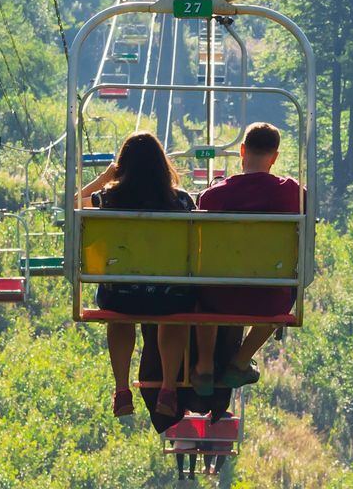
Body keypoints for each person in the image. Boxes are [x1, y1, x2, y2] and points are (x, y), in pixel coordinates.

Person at [79, 131, 196, 419]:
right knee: (176, 310)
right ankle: (168, 386)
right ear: (162, 165)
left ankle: (121, 389)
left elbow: (73, 203)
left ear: (123, 166)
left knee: (119, 316)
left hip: (120, 295)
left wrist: (104, 179)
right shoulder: (180, 201)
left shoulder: (107, 199)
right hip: (168, 296)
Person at [191, 122, 304, 393]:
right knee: (288, 293)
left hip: (218, 296)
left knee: (201, 287)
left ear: (242, 150)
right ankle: (240, 362)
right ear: (274, 157)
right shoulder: (292, 193)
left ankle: (204, 366)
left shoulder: (212, 196)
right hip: (268, 298)